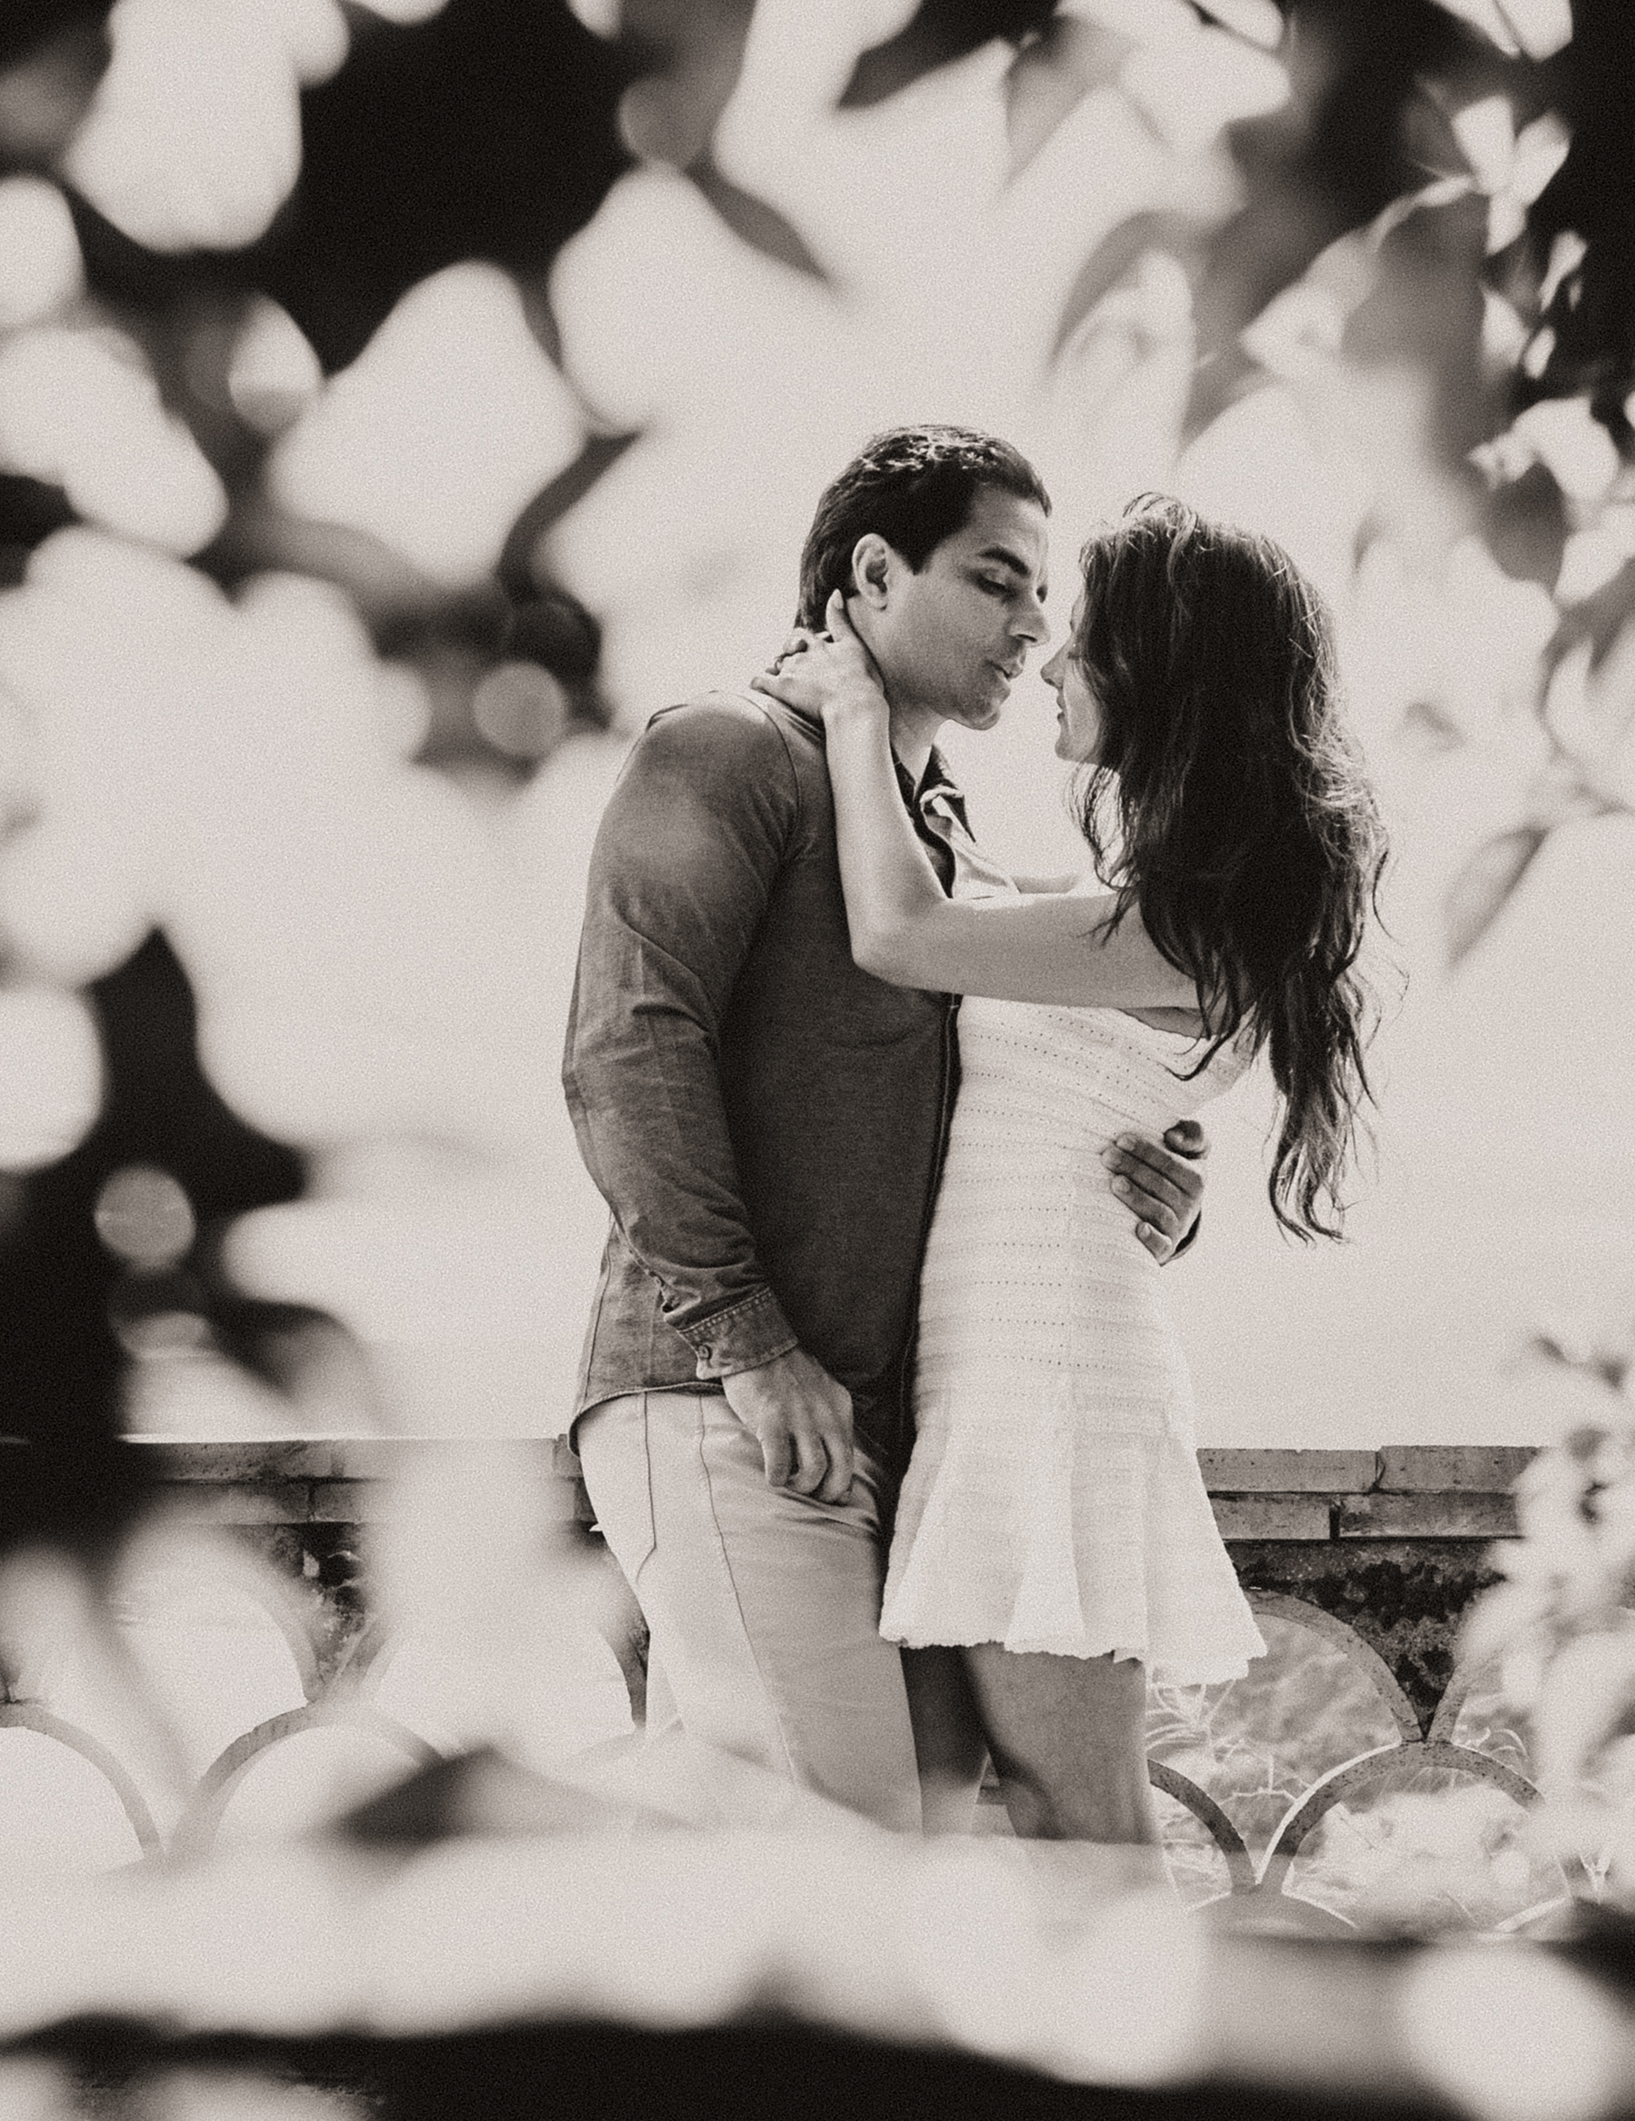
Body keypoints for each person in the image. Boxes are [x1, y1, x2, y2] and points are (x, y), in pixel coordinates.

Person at [560, 426, 1212, 1834]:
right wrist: (752, 1342)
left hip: (888, 1432)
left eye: (1042, 596)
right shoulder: (723, 750)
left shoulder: (929, 830)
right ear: (872, 573)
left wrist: (1152, 1172)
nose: (1036, 627)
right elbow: (626, 1050)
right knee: (849, 1846)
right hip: (723, 1397)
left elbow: (1022, 1081)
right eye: (997, 580)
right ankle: (496, 1838)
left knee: (890, 1825)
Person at [751, 492, 1384, 1846]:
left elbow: (906, 935)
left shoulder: (1178, 926)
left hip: (1050, 1381)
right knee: (975, 1812)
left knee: (1080, 1813)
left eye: (1081, 642)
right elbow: (1073, 1057)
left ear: (1161, 684)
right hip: (1001, 1363)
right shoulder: (1142, 907)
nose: (1046, 659)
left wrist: (858, 715)